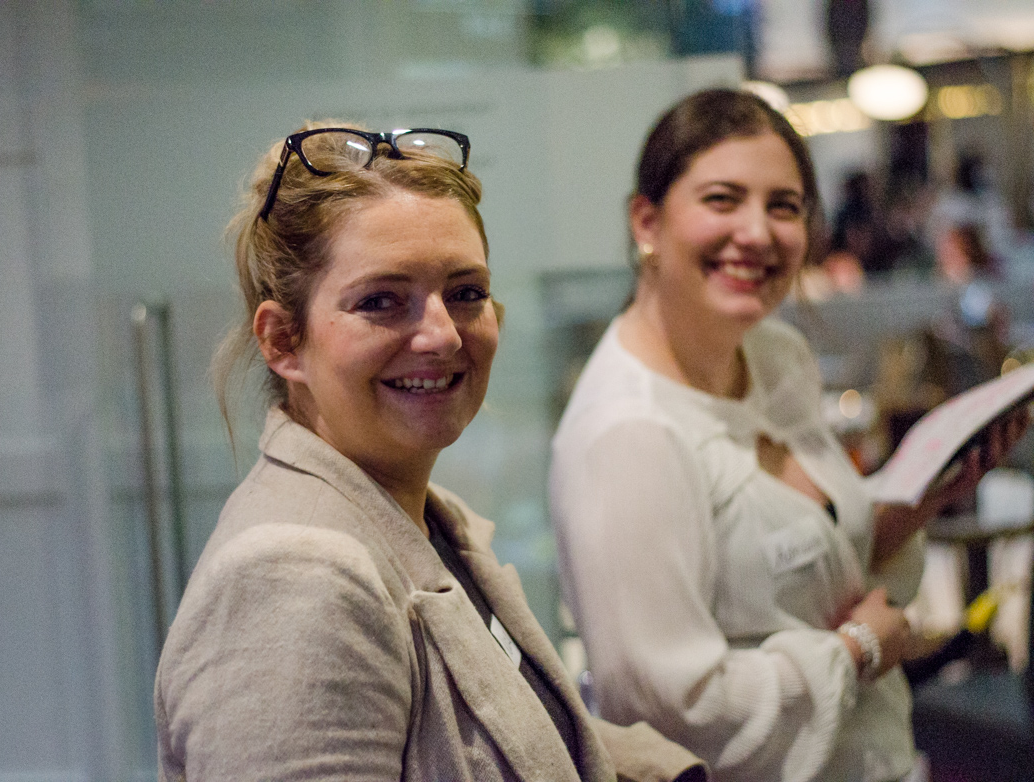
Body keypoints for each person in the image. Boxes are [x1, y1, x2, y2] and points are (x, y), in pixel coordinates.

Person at [154, 121, 707, 782]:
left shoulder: (420, 520)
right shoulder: (297, 575)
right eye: (382, 301)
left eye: (465, 293)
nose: (442, 335)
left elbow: (528, 735)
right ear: (281, 343)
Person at [548, 89, 1029, 782]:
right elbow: (664, 713)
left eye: (783, 206)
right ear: (645, 221)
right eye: (722, 200)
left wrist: (914, 502)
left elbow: (784, 581)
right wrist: (857, 650)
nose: (758, 231)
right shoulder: (625, 435)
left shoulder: (774, 357)